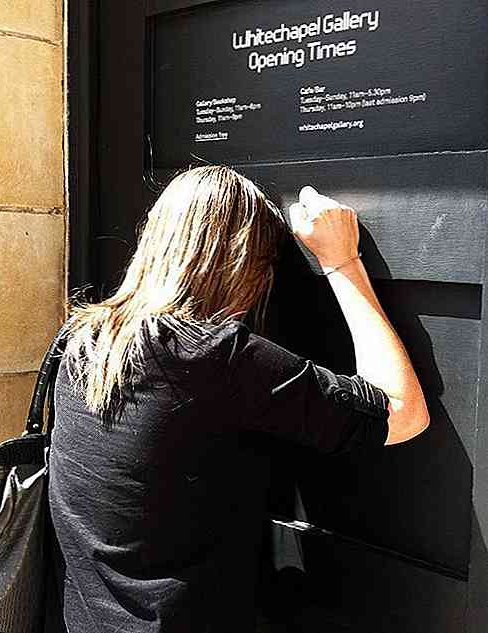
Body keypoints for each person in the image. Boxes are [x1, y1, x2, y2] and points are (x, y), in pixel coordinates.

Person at [47, 165, 429, 632]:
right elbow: (403, 413)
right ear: (244, 262)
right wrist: (343, 262)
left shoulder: (82, 337)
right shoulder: (211, 357)